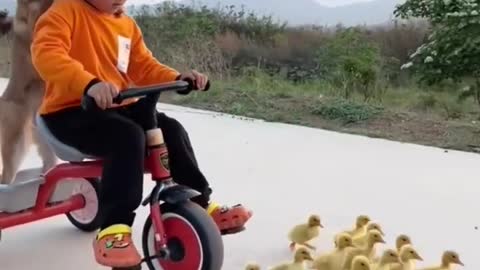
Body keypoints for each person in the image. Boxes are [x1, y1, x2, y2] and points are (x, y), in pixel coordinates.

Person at [30, 0, 252, 268]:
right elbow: (47, 54)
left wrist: (177, 77)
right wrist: (88, 84)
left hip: (117, 107)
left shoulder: (125, 23)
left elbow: (144, 66)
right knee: (126, 136)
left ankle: (201, 204)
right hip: (69, 112)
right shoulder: (66, 11)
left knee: (170, 129)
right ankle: (112, 231)